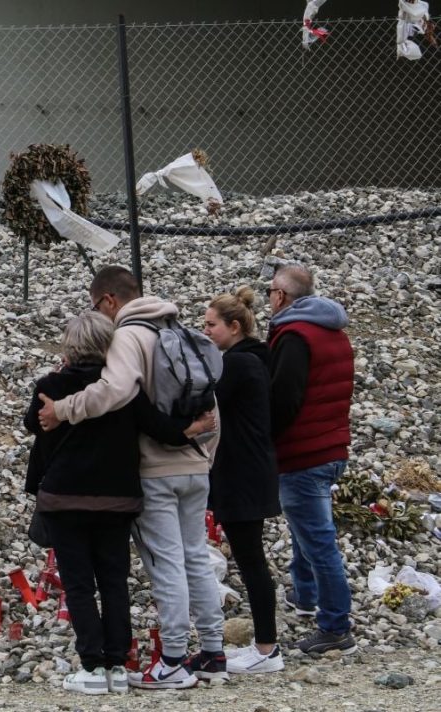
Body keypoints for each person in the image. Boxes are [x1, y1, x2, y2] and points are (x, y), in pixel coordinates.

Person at [37, 266, 226, 689]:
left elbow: (116, 391)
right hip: (195, 464)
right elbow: (211, 403)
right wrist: (203, 453)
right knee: (196, 556)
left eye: (95, 306)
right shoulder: (176, 328)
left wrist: (62, 410)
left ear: (108, 300)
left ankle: (173, 660)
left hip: (157, 470)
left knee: (166, 562)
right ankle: (213, 652)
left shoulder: (128, 336)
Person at [267, 263, 356, 655]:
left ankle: (336, 627)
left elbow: (283, 401)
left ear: (281, 296)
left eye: (271, 292)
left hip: (303, 453)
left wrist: (262, 437)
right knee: (307, 529)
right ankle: (305, 596)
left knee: (318, 542)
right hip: (332, 447)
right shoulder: (334, 332)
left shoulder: (293, 336)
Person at [201, 288, 283, 674]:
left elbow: (203, 405)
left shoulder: (235, 365)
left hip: (241, 475)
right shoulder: (255, 359)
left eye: (211, 325)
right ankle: (265, 645)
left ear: (234, 327)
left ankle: (266, 648)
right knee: (252, 559)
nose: (205, 331)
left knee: (251, 561)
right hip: (252, 471)